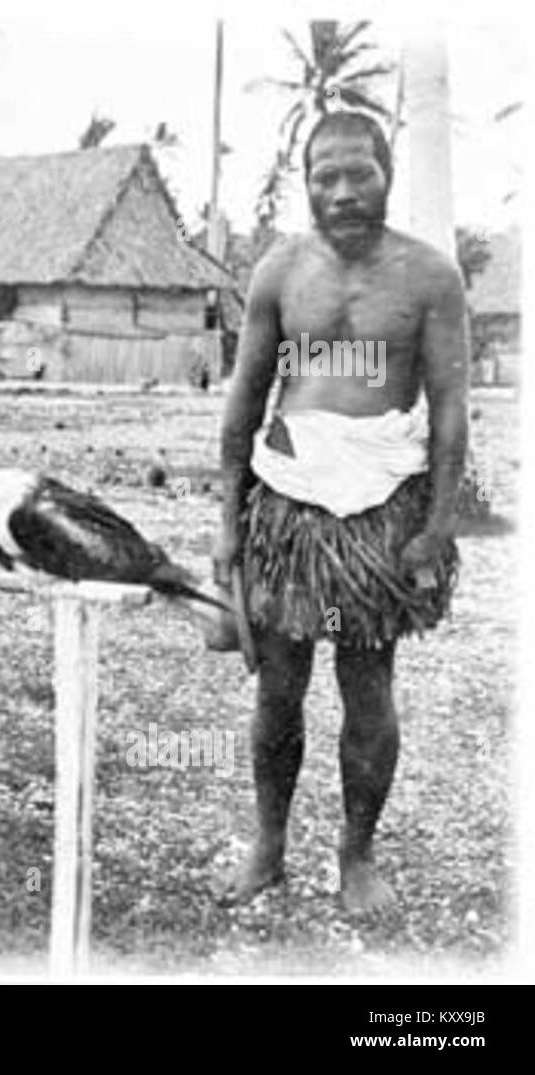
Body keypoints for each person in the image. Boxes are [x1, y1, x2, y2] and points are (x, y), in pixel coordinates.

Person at [212, 111, 469, 912]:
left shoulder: (430, 277)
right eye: (326, 175)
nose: (344, 190)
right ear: (306, 182)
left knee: (369, 686)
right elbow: (245, 402)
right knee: (277, 688)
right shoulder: (280, 273)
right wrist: (227, 524)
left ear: (386, 173)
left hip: (382, 511)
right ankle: (269, 847)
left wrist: (436, 524)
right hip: (288, 507)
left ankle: (356, 857)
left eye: (359, 172)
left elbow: (452, 405)